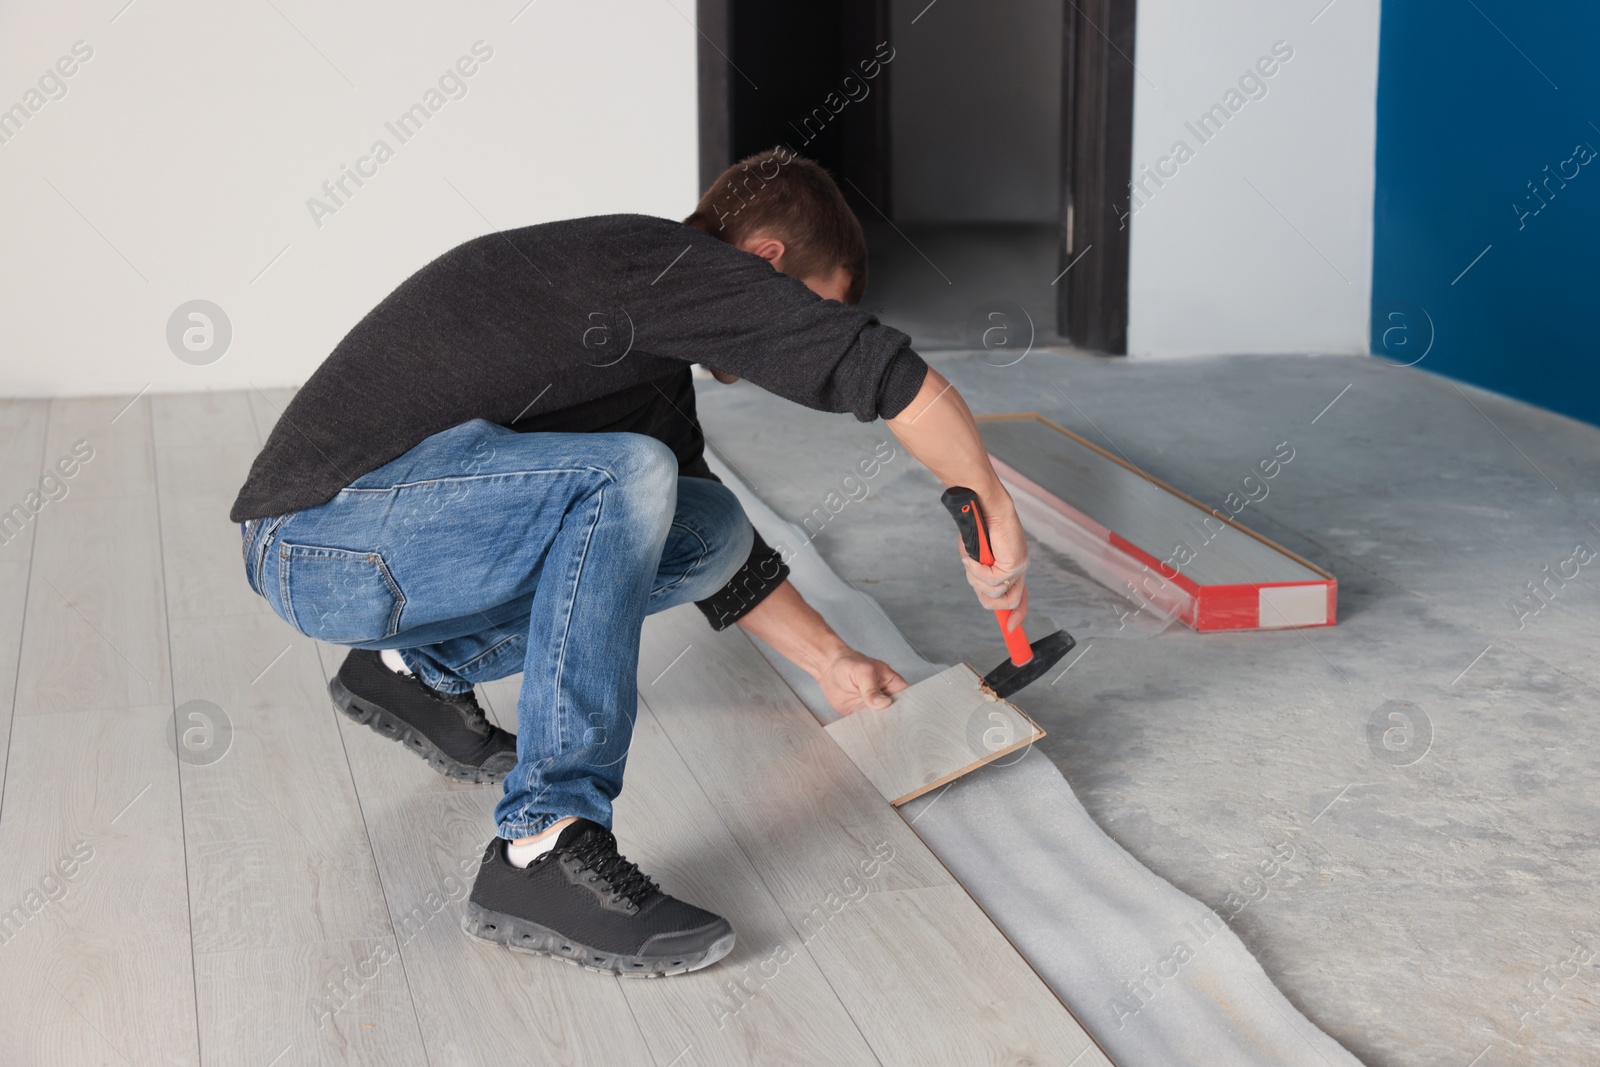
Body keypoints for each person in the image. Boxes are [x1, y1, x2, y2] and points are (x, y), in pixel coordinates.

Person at [230, 147, 1032, 977]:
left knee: (707, 525)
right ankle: (542, 847)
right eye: (806, 307)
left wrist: (835, 661)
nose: (787, 341)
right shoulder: (660, 266)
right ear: (766, 262)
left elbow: (715, 553)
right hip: (316, 537)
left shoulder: (648, 330)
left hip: (380, 540)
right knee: (629, 476)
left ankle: (414, 665)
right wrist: (988, 497)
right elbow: (879, 370)